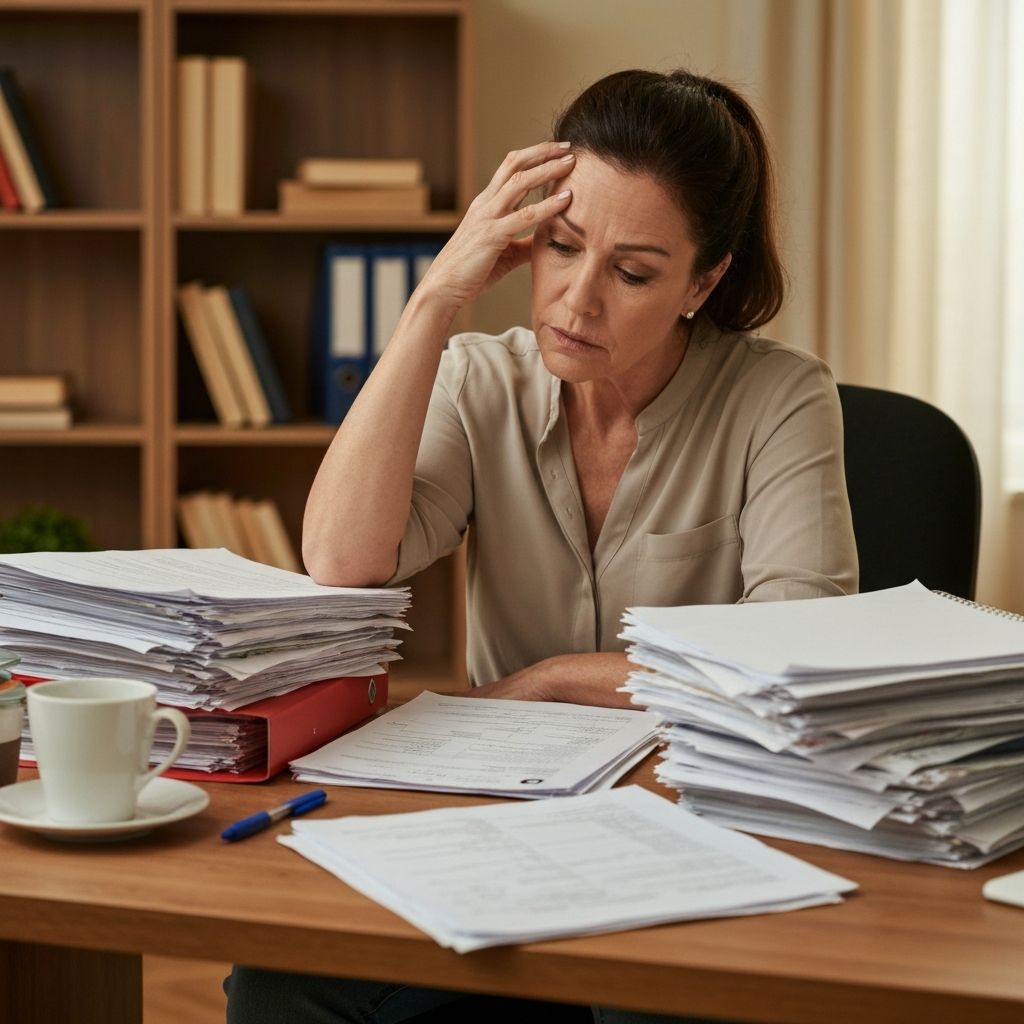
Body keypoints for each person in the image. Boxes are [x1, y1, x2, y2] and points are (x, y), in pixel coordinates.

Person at [226, 67, 857, 1023]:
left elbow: (796, 644)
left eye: (634, 272)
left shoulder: (782, 399)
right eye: (561, 246)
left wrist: (564, 676)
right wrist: (434, 299)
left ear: (705, 280)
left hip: (694, 830)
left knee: (649, 1003)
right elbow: (344, 560)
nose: (576, 298)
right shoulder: (481, 381)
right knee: (280, 978)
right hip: (505, 827)